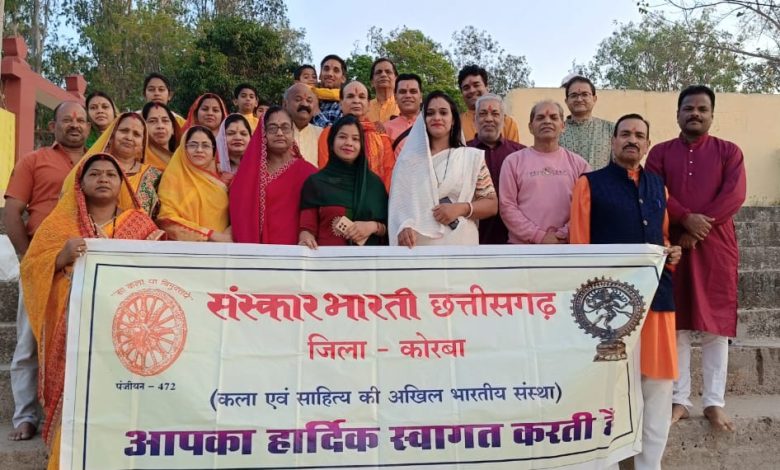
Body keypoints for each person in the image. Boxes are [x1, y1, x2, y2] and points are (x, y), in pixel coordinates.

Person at [21, 153, 164, 470]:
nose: (103, 179)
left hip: (129, 332)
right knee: (78, 396)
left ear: (121, 183)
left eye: (110, 175)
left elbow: (160, 272)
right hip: (75, 331)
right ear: (80, 184)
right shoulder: (59, 225)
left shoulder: (141, 225)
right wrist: (61, 257)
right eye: (95, 174)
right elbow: (31, 269)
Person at [570, 114, 682, 470]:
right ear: (613, 141)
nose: (632, 140)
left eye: (639, 135)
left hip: (657, 302)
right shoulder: (589, 185)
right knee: (608, 388)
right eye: (625, 134)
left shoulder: (659, 187)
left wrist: (672, 254)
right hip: (607, 311)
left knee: (658, 386)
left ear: (647, 144)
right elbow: (579, 248)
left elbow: (663, 239)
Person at [646, 85, 746, 432]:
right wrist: (685, 218)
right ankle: (680, 399)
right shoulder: (660, 153)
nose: (695, 114)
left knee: (716, 326)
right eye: (689, 108)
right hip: (673, 244)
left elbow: (734, 195)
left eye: (702, 109)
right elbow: (655, 191)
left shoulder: (729, 152)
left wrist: (698, 228)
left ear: (712, 115)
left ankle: (714, 402)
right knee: (678, 323)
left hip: (716, 247)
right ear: (678, 114)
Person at [3, 101, 90, 442]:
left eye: (81, 120)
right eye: (67, 120)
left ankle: (72, 413)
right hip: (41, 262)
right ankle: (25, 416)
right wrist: (28, 257)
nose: (75, 125)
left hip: (85, 261)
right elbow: (13, 211)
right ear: (53, 126)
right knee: (29, 340)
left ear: (89, 128)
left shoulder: (98, 160)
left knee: (80, 340)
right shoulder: (34, 161)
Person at [389, 91, 497, 247]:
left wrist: (461, 209)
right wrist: (403, 227)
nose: (437, 117)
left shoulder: (471, 158)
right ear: (423, 120)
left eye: (443, 112)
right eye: (430, 113)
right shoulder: (408, 162)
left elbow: (491, 204)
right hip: (419, 246)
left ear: (453, 120)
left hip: (461, 244)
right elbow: (398, 209)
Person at [499, 100, 591, 244]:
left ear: (563, 126)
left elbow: (586, 206)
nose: (547, 121)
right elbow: (507, 206)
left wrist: (563, 234)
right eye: (540, 117)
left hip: (567, 247)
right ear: (530, 127)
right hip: (523, 249)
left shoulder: (580, 164)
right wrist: (539, 236)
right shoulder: (513, 161)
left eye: (554, 117)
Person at [298, 115, 388, 248]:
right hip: (327, 258)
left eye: (355, 139)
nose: (349, 143)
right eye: (342, 137)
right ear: (331, 142)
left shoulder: (374, 185)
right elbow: (307, 229)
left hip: (368, 260)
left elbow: (390, 229)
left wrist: (373, 226)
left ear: (361, 145)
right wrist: (306, 239)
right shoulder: (316, 183)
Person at [231, 107, 317, 244]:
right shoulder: (249, 174)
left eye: (285, 128)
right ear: (263, 133)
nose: (279, 133)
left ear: (292, 133)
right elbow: (239, 212)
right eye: (272, 128)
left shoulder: (309, 172)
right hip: (254, 250)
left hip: (296, 250)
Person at [64, 112, 162, 217]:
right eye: (124, 131)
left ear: (143, 143)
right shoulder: (90, 169)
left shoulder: (154, 176)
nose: (129, 137)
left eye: (136, 134)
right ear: (111, 136)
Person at [467, 93, 525, 244]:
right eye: (483, 114)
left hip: (513, 239)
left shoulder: (521, 154)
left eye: (495, 114)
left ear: (504, 120)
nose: (489, 119)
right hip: (472, 237)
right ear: (474, 120)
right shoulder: (462, 152)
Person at [157, 126, 232, 242]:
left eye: (206, 145)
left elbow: (238, 214)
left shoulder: (223, 182)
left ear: (214, 152)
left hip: (222, 248)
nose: (199, 150)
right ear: (184, 148)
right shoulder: (173, 178)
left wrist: (229, 233)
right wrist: (210, 235)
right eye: (193, 145)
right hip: (186, 249)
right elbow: (166, 220)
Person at [317, 81, 395, 190]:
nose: (356, 101)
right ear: (341, 103)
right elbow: (326, 169)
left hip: (375, 196)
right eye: (350, 96)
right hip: (338, 194)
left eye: (362, 97)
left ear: (368, 105)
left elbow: (389, 173)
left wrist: (379, 197)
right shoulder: (329, 133)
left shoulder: (380, 136)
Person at [559, 74, 615, 169]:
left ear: (594, 99)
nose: (579, 99)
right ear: (566, 101)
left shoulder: (610, 129)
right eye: (574, 95)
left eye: (585, 94)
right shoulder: (557, 131)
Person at [457, 65, 520, 142]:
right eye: (466, 88)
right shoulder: (456, 124)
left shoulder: (508, 123)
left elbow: (513, 149)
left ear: (487, 87)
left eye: (476, 85)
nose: (472, 90)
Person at [283, 83, 323, 166]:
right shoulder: (276, 133)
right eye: (298, 99)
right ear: (285, 104)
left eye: (309, 101)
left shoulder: (321, 134)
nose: (304, 104)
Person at [384, 73, 422, 155]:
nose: (408, 95)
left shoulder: (431, 123)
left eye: (413, 91)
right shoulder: (386, 128)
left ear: (421, 97)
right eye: (402, 92)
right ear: (395, 98)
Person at [141, 101, 181, 170]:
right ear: (142, 128)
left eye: (165, 121)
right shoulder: (137, 160)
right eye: (152, 121)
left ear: (173, 129)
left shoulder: (184, 161)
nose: (160, 126)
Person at [311, 54, 347, 127]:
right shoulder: (307, 97)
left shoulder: (344, 105)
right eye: (326, 69)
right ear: (320, 75)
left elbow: (337, 132)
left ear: (343, 79)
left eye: (336, 71)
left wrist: (316, 113)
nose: (330, 74)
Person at [366, 58, 400, 125]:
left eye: (388, 72)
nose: (383, 75)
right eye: (378, 72)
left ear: (396, 79)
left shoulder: (404, 106)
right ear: (372, 82)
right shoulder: (364, 108)